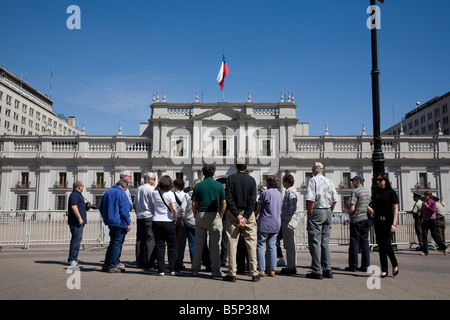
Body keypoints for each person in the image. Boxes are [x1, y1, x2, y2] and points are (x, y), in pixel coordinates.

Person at [223, 158, 258, 282]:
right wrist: (245, 216)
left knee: (232, 243)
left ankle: (232, 273)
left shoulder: (230, 179)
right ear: (246, 166)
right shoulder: (252, 180)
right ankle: (254, 272)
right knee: (251, 243)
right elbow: (252, 200)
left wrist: (237, 215)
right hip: (248, 215)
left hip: (234, 214)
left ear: (236, 166)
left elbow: (229, 198)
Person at [191, 163, 227, 278]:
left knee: (199, 244)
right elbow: (224, 203)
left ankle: (195, 269)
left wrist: (195, 214)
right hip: (214, 215)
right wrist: (221, 215)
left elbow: (193, 203)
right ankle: (215, 270)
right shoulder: (219, 185)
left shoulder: (198, 186)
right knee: (215, 245)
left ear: (203, 172)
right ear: (214, 172)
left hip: (201, 214)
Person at [305, 162, 338, 279]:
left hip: (317, 210)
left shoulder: (313, 180)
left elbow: (310, 199)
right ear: (322, 170)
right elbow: (334, 200)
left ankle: (317, 270)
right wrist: (329, 211)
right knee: (325, 242)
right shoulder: (329, 181)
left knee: (315, 241)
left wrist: (310, 213)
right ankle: (327, 269)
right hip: (328, 211)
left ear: (313, 170)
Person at [370, 173, 399, 277]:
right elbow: (370, 203)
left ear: (385, 180)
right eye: (377, 181)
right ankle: (384, 269)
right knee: (381, 246)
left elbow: (395, 209)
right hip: (378, 222)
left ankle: (395, 264)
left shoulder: (391, 193)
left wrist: (394, 224)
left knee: (387, 244)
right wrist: (368, 208)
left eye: (380, 180)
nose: (378, 182)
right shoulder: (376, 192)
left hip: (388, 221)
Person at [99, 180, 132, 273]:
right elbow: (124, 210)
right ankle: (112, 265)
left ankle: (106, 264)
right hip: (120, 222)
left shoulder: (107, 192)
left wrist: (106, 218)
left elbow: (101, 207)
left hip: (110, 221)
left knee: (112, 243)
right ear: (124, 186)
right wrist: (128, 222)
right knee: (117, 244)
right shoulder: (122, 193)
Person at [151, 175, 179, 276]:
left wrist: (159, 184)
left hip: (156, 221)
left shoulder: (154, 193)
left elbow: (153, 206)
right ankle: (172, 269)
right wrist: (175, 218)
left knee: (160, 246)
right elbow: (174, 209)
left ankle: (161, 270)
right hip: (168, 221)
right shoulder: (170, 194)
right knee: (172, 245)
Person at [181, 179, 211, 270]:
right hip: (201, 220)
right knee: (204, 243)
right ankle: (207, 264)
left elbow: (182, 208)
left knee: (192, 243)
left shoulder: (187, 195)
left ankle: (195, 265)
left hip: (189, 221)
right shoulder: (203, 194)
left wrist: (183, 217)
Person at [343, 176, 371, 272]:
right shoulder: (367, 192)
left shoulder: (355, 191)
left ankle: (353, 266)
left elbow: (352, 208)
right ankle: (365, 265)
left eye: (353, 181)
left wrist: (346, 210)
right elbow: (367, 205)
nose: (352, 183)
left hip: (357, 219)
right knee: (365, 243)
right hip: (366, 219)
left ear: (358, 181)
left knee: (354, 243)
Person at [255, 175, 282, 277]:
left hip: (265, 222)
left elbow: (259, 207)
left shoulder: (265, 193)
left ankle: (261, 269)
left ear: (268, 183)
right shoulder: (279, 194)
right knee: (272, 247)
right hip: (276, 223)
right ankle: (272, 269)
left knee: (261, 245)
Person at [133, 172, 157, 270]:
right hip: (149, 216)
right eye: (154, 179)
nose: (154, 181)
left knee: (140, 239)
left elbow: (134, 204)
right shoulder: (152, 189)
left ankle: (139, 262)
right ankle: (149, 262)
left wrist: (138, 212)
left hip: (140, 216)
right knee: (150, 239)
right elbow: (154, 204)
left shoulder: (139, 189)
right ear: (150, 179)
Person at [280, 174, 298, 275]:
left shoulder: (290, 192)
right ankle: (291, 265)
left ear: (287, 182)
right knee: (290, 244)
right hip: (289, 220)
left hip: (288, 221)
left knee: (289, 244)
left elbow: (292, 208)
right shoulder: (290, 192)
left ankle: (291, 266)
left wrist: (284, 218)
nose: (282, 183)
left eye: (283, 181)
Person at [420, 191, 447, 256]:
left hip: (431, 221)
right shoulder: (424, 203)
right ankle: (425, 251)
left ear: (429, 196)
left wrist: (427, 207)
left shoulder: (433, 202)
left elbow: (433, 211)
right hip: (425, 221)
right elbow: (422, 211)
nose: (425, 196)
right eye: (424, 195)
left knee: (434, 236)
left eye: (426, 195)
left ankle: (444, 247)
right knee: (424, 235)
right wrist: (421, 218)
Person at [67, 181, 87, 267]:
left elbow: (78, 207)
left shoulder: (78, 195)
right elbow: (74, 206)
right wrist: (79, 218)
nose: (83, 187)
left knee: (77, 240)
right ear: (78, 187)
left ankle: (74, 258)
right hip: (76, 222)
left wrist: (87, 208)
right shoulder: (74, 195)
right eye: (82, 186)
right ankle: (72, 259)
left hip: (79, 221)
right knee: (76, 240)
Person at [173, 178, 187, 272]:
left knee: (173, 242)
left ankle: (173, 261)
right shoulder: (185, 195)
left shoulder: (172, 194)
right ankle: (179, 262)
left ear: (176, 186)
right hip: (182, 219)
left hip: (173, 219)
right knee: (181, 242)